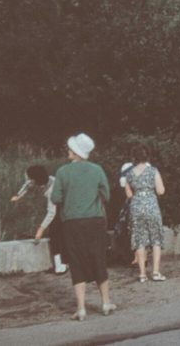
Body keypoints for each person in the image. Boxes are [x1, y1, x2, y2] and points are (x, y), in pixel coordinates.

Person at [50, 133, 114, 321]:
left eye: (70, 148)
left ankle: (81, 308)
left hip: (71, 222)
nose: (67, 151)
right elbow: (106, 195)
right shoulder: (97, 170)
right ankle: (105, 302)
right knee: (98, 258)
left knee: (76, 262)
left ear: (75, 151)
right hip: (95, 220)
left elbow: (55, 198)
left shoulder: (62, 172)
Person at [11, 164, 67, 274]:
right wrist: (19, 196)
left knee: (57, 231)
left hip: (65, 205)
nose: (27, 181)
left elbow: (51, 212)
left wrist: (40, 230)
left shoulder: (52, 189)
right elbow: (26, 186)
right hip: (56, 205)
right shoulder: (37, 181)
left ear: (35, 180)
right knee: (55, 231)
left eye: (29, 179)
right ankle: (60, 264)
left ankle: (62, 265)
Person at [124, 143, 167, 283]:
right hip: (151, 206)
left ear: (134, 157)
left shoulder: (129, 174)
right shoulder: (153, 171)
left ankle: (142, 274)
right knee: (156, 239)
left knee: (139, 240)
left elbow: (129, 194)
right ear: (147, 156)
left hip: (136, 207)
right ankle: (155, 272)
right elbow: (160, 191)